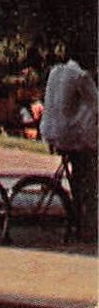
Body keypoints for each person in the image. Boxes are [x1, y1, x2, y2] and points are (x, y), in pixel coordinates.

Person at [40, 60, 98, 242]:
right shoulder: (81, 76)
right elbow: (97, 104)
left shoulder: (56, 70)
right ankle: (86, 223)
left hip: (50, 131)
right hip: (69, 135)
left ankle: (77, 215)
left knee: (79, 175)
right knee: (91, 177)